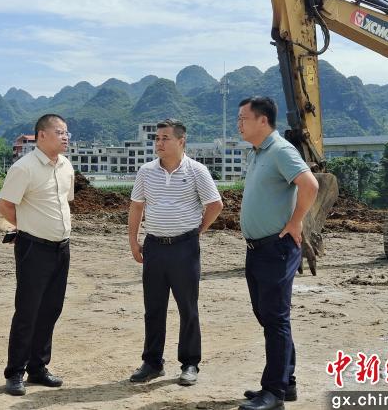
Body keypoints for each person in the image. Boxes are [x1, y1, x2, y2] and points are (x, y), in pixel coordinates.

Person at [236, 97, 319, 410]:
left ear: (263, 121)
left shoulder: (281, 150)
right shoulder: (258, 152)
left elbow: (310, 185)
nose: (239, 124)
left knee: (274, 318)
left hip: (276, 248)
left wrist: (296, 221)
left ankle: (274, 393)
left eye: (243, 118)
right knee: (267, 315)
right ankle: (287, 381)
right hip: (257, 249)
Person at [128, 119, 223, 386]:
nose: (159, 143)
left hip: (185, 248)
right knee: (153, 308)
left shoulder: (197, 171)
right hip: (154, 247)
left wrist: (199, 229)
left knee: (187, 307)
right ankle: (152, 363)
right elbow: (136, 206)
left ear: (181, 141)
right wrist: (133, 240)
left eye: (165, 138)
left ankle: (190, 363)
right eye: (157, 138)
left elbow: (215, 204)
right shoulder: (146, 171)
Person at [0, 114, 75, 396]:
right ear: (42, 135)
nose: (66, 137)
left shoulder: (66, 166)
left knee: (51, 309)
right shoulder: (24, 168)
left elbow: (65, 202)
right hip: (33, 247)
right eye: (60, 132)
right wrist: (27, 225)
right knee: (28, 310)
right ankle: (15, 372)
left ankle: (38, 368)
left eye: (67, 132)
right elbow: (5, 205)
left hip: (61, 247)